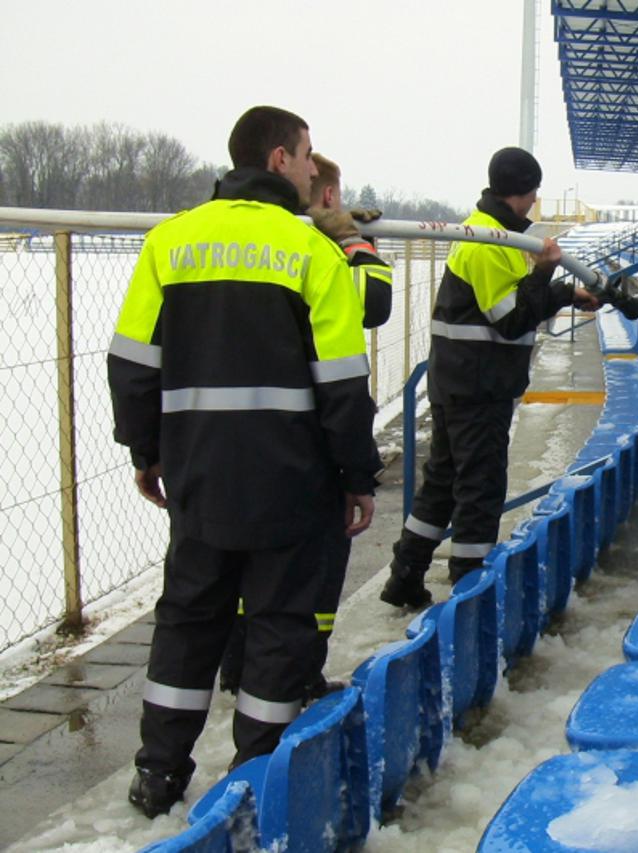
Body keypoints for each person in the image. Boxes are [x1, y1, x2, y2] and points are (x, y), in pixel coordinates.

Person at [108, 105, 381, 818]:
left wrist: (147, 451)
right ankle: (254, 777)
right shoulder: (313, 253)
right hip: (293, 482)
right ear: (280, 159)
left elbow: (132, 363)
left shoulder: (171, 242)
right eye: (307, 153)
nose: (313, 165)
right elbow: (344, 385)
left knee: (189, 618)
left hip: (197, 476)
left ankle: (159, 771)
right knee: (280, 623)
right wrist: (358, 475)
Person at [380, 147, 598, 608]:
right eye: (534, 193)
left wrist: (563, 294)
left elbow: (516, 302)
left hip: (462, 381)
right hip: (476, 388)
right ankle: (469, 589)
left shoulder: (493, 232)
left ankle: (405, 577)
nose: (535, 202)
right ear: (525, 192)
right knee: (479, 487)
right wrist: (549, 278)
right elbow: (511, 319)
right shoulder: (490, 240)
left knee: (443, 483)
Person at [217, 152, 392, 702]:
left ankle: (240, 668)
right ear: (331, 199)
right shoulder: (315, 248)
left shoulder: (228, 237)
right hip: (301, 438)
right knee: (307, 574)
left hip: (224, 435)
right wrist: (355, 243)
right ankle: (294, 679)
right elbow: (372, 302)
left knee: (243, 566)